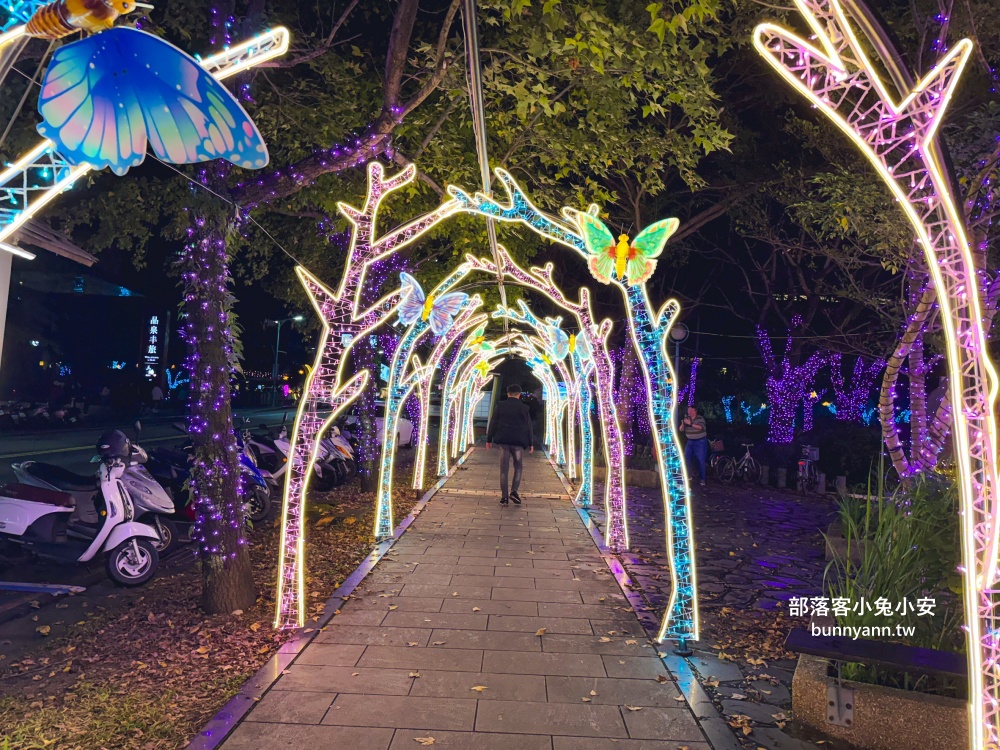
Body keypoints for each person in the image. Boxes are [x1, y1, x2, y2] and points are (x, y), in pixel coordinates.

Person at [486, 383, 534, 505]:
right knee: (518, 466)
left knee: (504, 469)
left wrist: (489, 439)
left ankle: (504, 497)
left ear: (508, 394)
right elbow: (529, 426)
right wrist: (531, 443)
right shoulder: (524, 408)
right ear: (519, 394)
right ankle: (514, 491)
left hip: (503, 440)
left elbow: (494, 422)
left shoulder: (501, 406)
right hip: (518, 441)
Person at [680, 405, 708, 486]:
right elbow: (681, 429)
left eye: (691, 410)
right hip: (690, 441)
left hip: (700, 442)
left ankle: (702, 479)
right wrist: (683, 424)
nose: (689, 412)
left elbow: (701, 428)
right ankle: (689, 475)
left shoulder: (700, 418)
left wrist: (691, 424)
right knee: (686, 457)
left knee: (701, 460)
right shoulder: (687, 419)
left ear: (695, 411)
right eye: (689, 410)